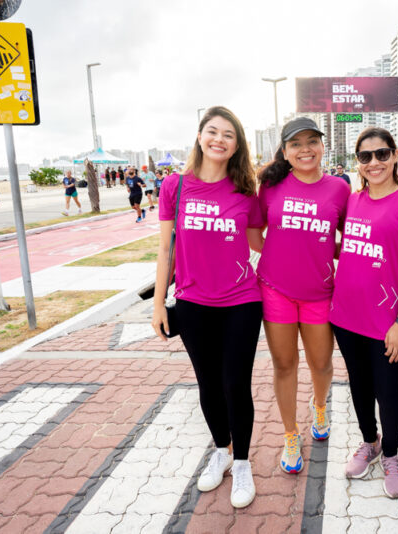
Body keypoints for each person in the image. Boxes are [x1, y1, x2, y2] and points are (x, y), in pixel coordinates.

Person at [151, 106, 264, 508]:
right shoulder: (174, 187)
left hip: (242, 302)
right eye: (212, 131)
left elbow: (257, 244)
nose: (219, 139)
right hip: (193, 302)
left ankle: (243, 462)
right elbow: (166, 248)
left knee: (236, 384)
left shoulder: (246, 192)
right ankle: (221, 450)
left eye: (228, 135)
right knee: (208, 384)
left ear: (237, 146)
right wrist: (161, 303)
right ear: (200, 136)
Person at [330, 127, 398, 499]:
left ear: (395, 157)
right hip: (344, 317)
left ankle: (390, 455)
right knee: (358, 386)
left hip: (387, 321)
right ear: (358, 162)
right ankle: (369, 443)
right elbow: (346, 244)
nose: (374, 162)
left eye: (382, 154)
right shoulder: (352, 201)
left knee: (388, 392)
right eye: (366, 156)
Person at [256, 117, 351, 474]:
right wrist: (283, 255)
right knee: (284, 365)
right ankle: (290, 434)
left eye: (313, 141)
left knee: (322, 364)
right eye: (296, 144)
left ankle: (321, 406)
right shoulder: (272, 185)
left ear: (323, 146)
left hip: (320, 293)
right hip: (275, 290)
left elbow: (354, 236)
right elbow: (255, 234)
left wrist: (323, 251)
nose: (306, 149)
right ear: (285, 151)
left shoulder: (339, 189)